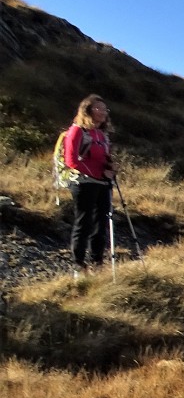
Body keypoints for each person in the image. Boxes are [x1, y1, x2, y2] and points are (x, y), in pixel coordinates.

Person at [63, 95, 117, 276]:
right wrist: (100, 173)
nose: (103, 112)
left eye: (105, 109)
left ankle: (97, 263)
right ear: (87, 110)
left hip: (102, 183)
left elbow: (104, 158)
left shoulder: (102, 134)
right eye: (98, 108)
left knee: (101, 224)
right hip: (84, 182)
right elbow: (71, 161)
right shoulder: (77, 131)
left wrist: (110, 167)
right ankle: (79, 264)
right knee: (84, 222)